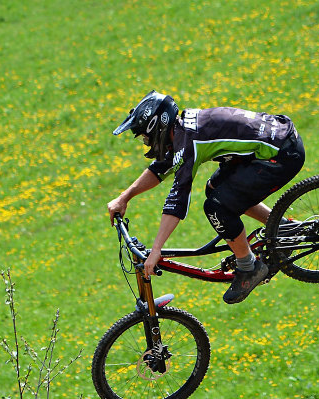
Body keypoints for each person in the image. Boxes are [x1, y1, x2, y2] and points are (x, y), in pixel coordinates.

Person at [107, 91, 306, 304]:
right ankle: (284, 228)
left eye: (146, 137)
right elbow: (161, 168)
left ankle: (249, 268)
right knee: (215, 189)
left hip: (281, 155)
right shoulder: (183, 130)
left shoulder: (188, 142)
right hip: (276, 142)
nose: (147, 143)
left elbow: (177, 200)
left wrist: (156, 250)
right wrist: (124, 197)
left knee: (216, 207)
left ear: (159, 127)